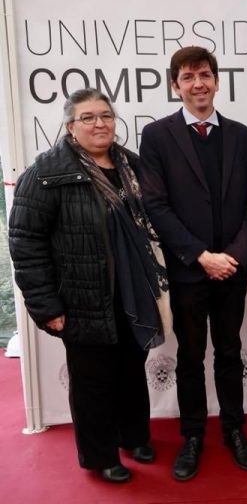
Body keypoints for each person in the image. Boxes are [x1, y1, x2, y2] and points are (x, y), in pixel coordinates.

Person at [9, 88, 170, 483]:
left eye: (106, 116)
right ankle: (100, 456)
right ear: (70, 126)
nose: (100, 123)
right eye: (88, 117)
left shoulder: (132, 164)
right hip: (81, 297)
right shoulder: (46, 173)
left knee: (133, 370)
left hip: (133, 291)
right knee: (92, 381)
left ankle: (133, 437)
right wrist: (47, 308)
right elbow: (25, 243)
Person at [137, 46, 247, 481]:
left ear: (217, 80)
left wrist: (234, 257)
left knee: (229, 352)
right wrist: (200, 256)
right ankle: (192, 435)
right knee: (190, 357)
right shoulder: (156, 137)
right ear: (175, 85)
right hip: (188, 271)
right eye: (188, 77)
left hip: (231, 270)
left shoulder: (244, 137)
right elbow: (155, 204)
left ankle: (234, 430)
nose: (198, 84)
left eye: (204, 75)